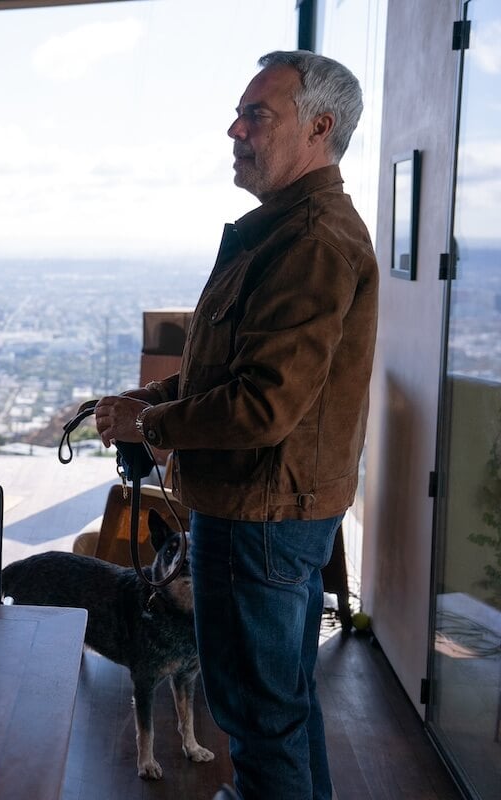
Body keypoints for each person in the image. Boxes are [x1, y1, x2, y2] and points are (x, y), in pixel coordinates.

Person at [93, 51, 378, 800]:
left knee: (256, 713)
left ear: (319, 128)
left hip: (259, 517)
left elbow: (262, 406)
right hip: (266, 510)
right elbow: (238, 373)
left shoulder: (309, 241)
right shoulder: (286, 231)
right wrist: (149, 404)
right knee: (278, 704)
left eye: (258, 115)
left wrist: (152, 420)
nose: (234, 129)